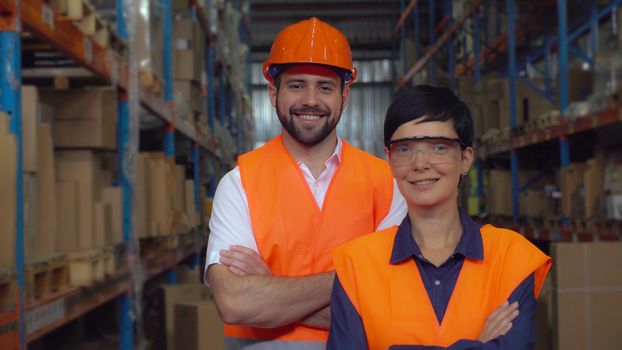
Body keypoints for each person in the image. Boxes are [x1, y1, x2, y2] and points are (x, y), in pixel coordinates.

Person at [205, 17, 407, 349]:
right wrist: (355, 282)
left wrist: (271, 285)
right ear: (273, 93)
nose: (310, 100)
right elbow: (234, 302)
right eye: (297, 85)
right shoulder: (239, 183)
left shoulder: (387, 184)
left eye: (325, 87)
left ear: (346, 95)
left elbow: (393, 303)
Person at [328, 85, 552, 349]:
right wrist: (478, 344)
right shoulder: (356, 264)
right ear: (389, 159)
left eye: (438, 148)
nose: (420, 163)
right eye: (404, 149)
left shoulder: (512, 257)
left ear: (465, 159)